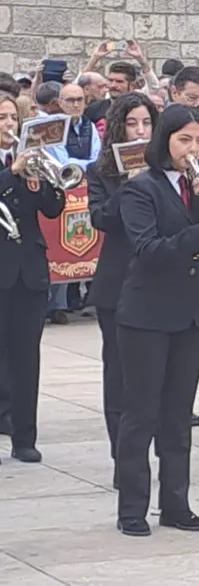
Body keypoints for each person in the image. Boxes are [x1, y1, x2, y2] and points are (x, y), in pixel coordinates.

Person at [114, 106, 199, 537]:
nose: (193, 149)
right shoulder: (140, 189)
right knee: (141, 415)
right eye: (184, 140)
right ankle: (132, 508)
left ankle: (176, 503)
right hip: (147, 315)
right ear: (165, 141)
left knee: (178, 415)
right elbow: (148, 249)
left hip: (191, 312)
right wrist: (198, 232)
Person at [87, 93, 157, 480]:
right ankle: (124, 460)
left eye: (146, 123)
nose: (140, 131)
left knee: (155, 377)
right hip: (117, 283)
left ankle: (156, 451)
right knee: (118, 375)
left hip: (159, 282)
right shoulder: (100, 171)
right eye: (132, 124)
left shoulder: (166, 170)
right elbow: (101, 219)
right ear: (118, 128)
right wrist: (130, 186)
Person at [0, 94, 68, 463]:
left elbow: (53, 209)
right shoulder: (12, 168)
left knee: (26, 358)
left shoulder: (30, 163)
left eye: (13, 117)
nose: (9, 124)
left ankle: (24, 437)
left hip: (29, 272)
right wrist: (12, 173)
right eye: (2, 118)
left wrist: (47, 179)